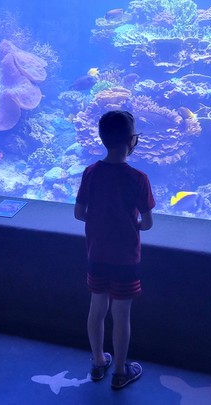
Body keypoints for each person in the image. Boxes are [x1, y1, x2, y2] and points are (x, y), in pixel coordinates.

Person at [74, 110, 155, 390]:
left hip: (96, 254)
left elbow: (79, 213)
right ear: (132, 141)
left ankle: (98, 362)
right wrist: (128, 222)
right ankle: (120, 371)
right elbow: (146, 223)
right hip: (126, 258)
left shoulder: (90, 173)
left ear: (101, 138)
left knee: (97, 308)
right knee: (122, 315)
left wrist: (101, 220)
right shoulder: (138, 178)